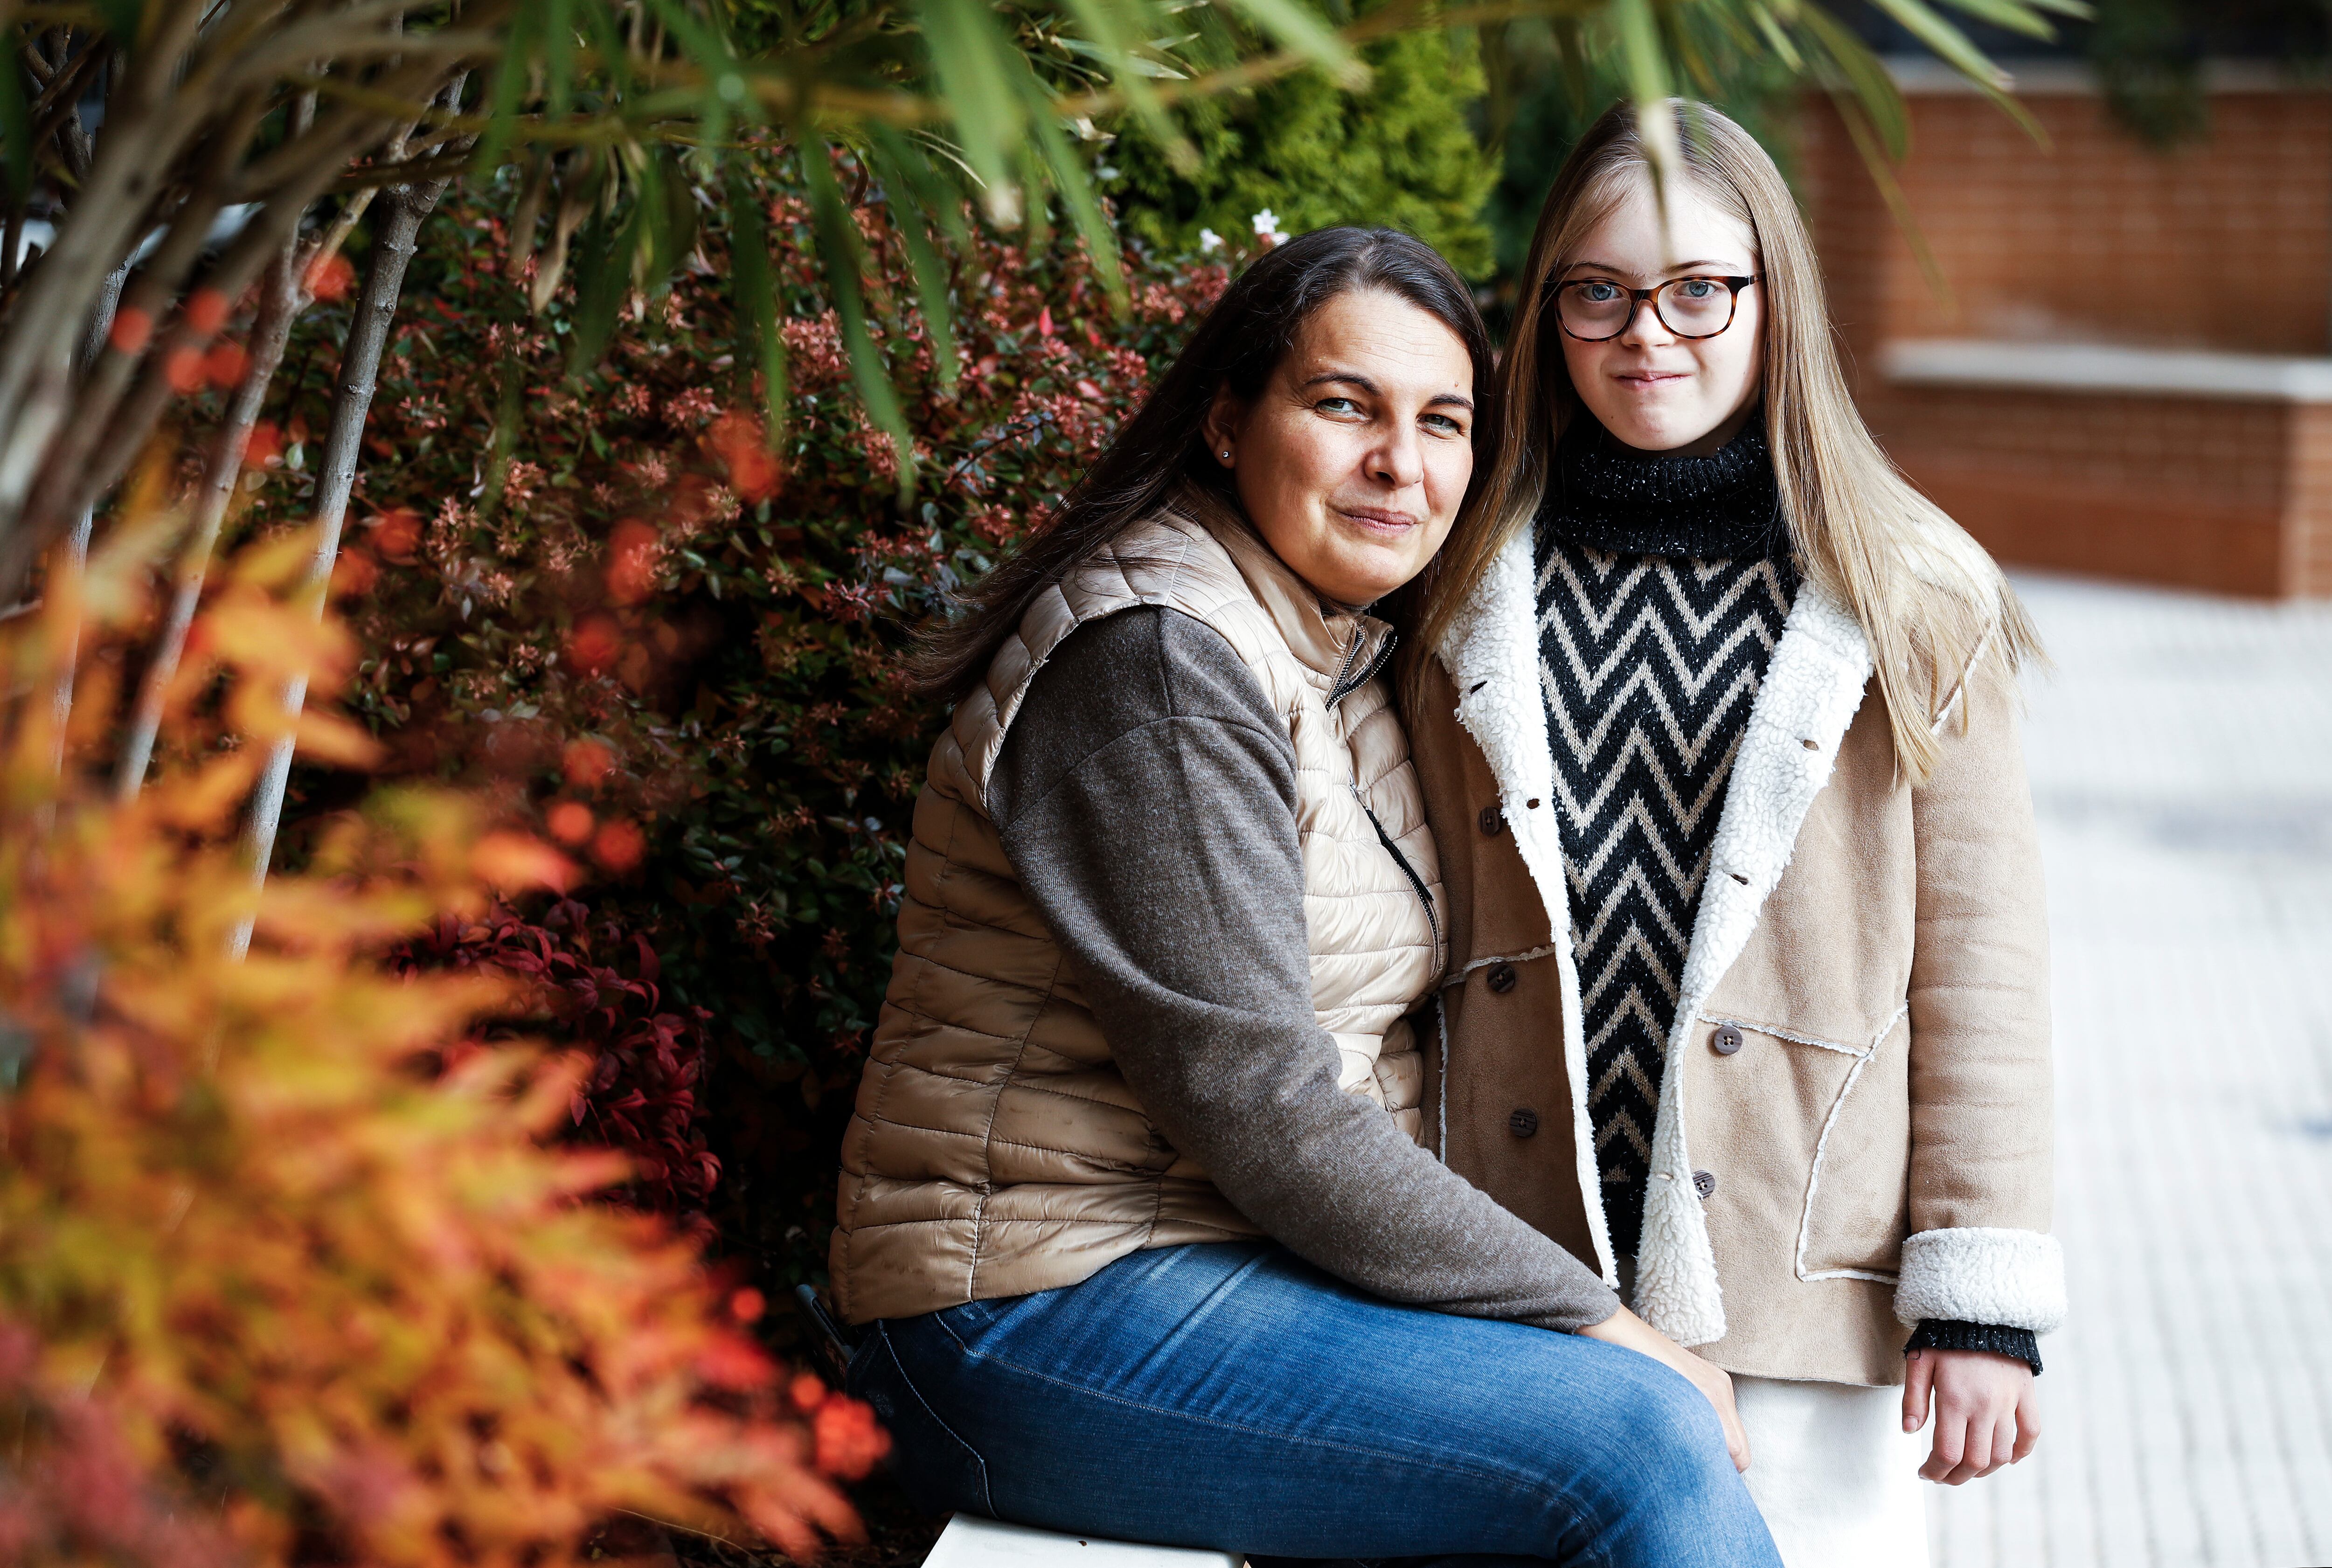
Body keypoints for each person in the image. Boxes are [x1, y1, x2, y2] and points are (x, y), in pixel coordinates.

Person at [826, 226, 1783, 1568]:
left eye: (1443, 420)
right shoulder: (1163, 659)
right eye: (1347, 405)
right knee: (1630, 1439)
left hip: (1210, 1270)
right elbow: (1260, 1102)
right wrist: (1592, 1321)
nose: (1403, 463)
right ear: (1227, 420)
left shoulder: (1329, 651)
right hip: (1021, 1312)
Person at [1401, 102, 2061, 1568]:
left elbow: (1981, 959)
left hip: (1797, 1246)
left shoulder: (1911, 588)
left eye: (1702, 287)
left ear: (1777, 297)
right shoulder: (1452, 575)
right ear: (1549, 313)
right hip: (1514, 1243)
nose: (1652, 332)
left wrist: (1980, 1300)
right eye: (1601, 291)